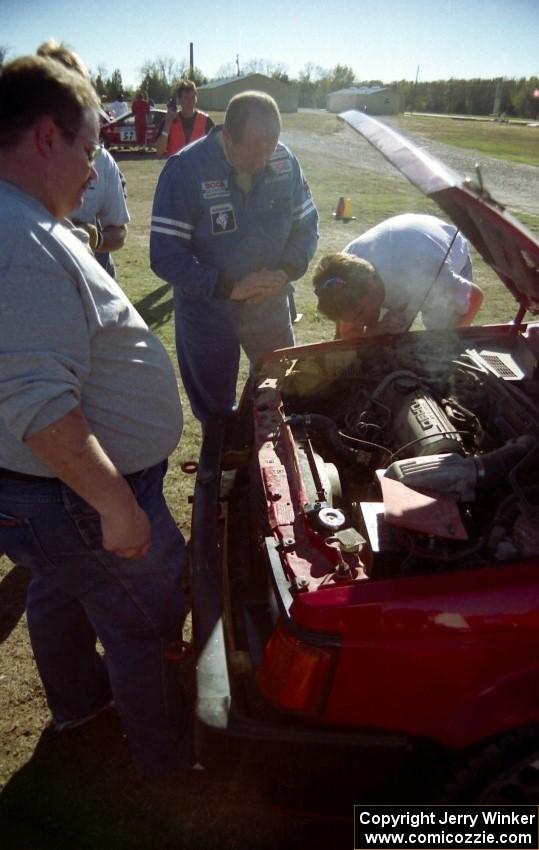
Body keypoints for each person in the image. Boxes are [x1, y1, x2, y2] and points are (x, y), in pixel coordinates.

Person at [0, 55, 194, 779]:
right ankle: (168, 757)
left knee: (60, 586)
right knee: (143, 623)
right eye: (89, 148)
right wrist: (117, 505)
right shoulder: (18, 239)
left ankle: (79, 704)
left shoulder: (21, 223)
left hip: (45, 497)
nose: (94, 170)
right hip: (77, 496)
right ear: (47, 137)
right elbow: (37, 399)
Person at [150, 90, 319, 422]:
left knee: (281, 394)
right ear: (227, 137)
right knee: (216, 413)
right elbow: (165, 256)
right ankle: (218, 466)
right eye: (253, 153)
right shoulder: (185, 170)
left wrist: (285, 271)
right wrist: (228, 287)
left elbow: (307, 224)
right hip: (208, 314)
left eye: (269, 151)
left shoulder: (283, 162)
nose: (261, 164)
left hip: (270, 306)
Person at [36, 40, 130, 279]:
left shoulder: (103, 161)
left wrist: (94, 238)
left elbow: (118, 231)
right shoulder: (15, 166)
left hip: (94, 276)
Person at [313, 213, 483, 339]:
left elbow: (475, 297)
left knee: (440, 334)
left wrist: (450, 343)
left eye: (360, 314)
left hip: (441, 246)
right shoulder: (340, 275)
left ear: (372, 285)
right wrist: (375, 330)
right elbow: (349, 332)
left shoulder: (427, 274)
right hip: (403, 240)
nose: (358, 323)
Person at [156, 79, 214, 158]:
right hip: (176, 168)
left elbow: (216, 149)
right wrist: (168, 124)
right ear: (179, 100)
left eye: (193, 97)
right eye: (186, 98)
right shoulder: (170, 120)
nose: (190, 102)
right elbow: (159, 152)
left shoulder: (206, 121)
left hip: (199, 168)